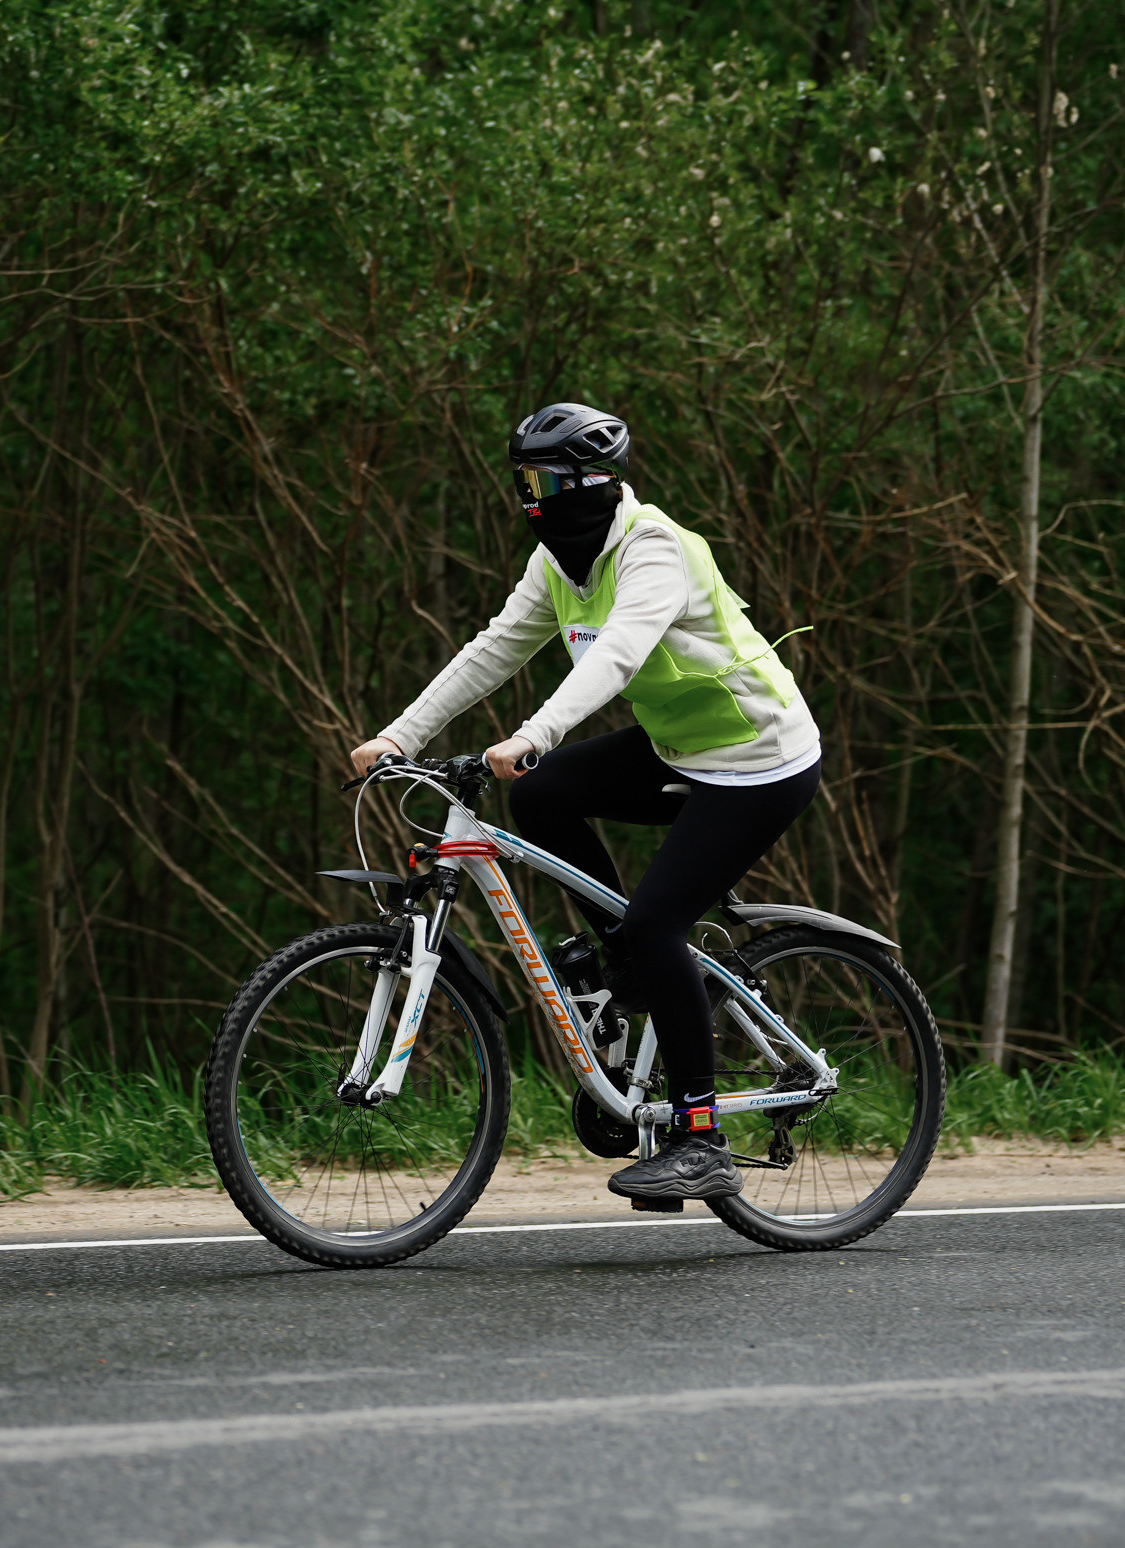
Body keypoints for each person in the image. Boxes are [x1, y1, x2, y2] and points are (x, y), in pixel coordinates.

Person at [349, 402, 822, 1204]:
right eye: (521, 480)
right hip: (681, 746)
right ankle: (630, 973)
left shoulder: (654, 549)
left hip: (757, 760)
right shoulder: (558, 562)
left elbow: (617, 656)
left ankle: (701, 1138)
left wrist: (534, 731)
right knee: (542, 796)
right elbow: (493, 649)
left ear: (590, 482)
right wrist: (399, 735)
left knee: (657, 919)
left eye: (541, 480)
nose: (528, 495)